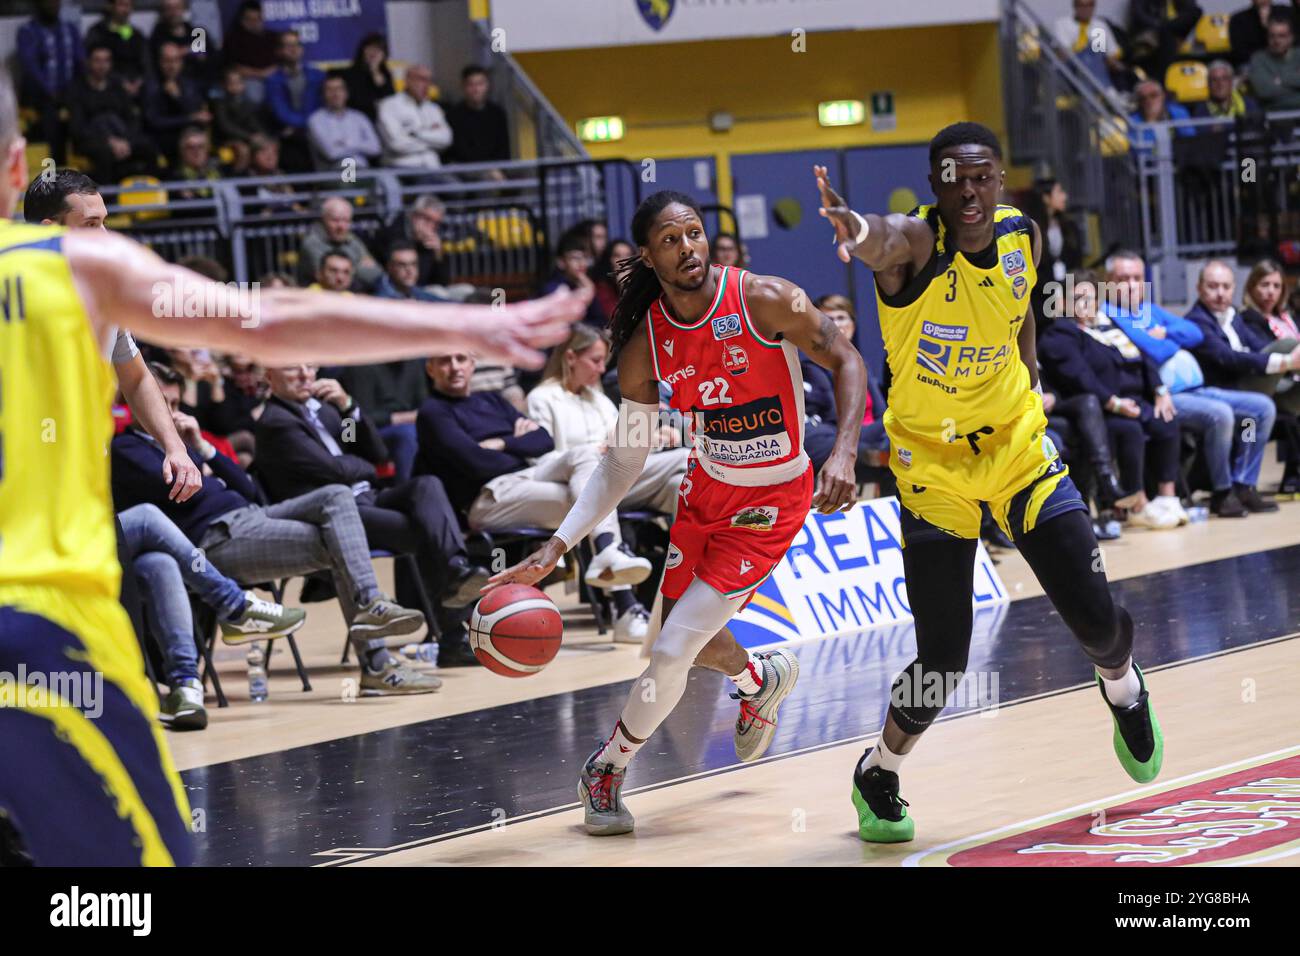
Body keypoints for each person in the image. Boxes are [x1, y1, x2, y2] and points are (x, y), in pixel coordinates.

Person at [0, 65, 588, 866]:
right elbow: (269, 320)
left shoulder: (83, 276)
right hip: (45, 622)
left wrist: (173, 443)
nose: (101, 233)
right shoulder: (71, 265)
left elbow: (138, 370)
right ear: (14, 164)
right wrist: (462, 325)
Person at [812, 123, 1162, 844]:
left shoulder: (1021, 234)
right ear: (935, 187)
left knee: (1097, 623)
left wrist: (1029, 375)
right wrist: (852, 225)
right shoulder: (914, 247)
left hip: (1016, 450)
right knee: (943, 661)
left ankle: (1124, 689)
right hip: (931, 469)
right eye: (953, 178)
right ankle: (878, 769)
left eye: (981, 177)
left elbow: (1021, 309)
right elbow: (880, 237)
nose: (968, 191)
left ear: (999, 181)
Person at [485, 189, 867, 835]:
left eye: (693, 233)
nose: (687, 247)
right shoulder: (645, 346)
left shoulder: (765, 297)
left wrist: (846, 453)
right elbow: (621, 462)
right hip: (704, 494)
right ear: (649, 255)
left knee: (669, 649)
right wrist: (560, 544)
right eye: (670, 239)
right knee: (684, 645)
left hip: (770, 504)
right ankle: (758, 678)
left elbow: (847, 359)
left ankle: (605, 769)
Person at [257, 363, 490, 668]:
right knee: (425, 530)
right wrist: (363, 466)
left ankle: (456, 570)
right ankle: (452, 633)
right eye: (293, 369)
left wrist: (348, 407)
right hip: (330, 516)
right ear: (270, 376)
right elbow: (336, 470)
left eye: (310, 366)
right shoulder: (275, 422)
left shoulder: (325, 411)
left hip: (367, 498)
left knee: (427, 485)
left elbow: (376, 452)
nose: (305, 375)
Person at [22, 168, 204, 506]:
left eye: (104, 222)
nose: (105, 236)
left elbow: (135, 379)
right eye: (91, 225)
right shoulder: (15, 300)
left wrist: (174, 446)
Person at [417, 352, 654, 593]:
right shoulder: (432, 412)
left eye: (461, 359)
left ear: (473, 364)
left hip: (529, 476)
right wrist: (519, 441)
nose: (455, 367)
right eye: (445, 360)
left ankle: (606, 550)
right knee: (589, 498)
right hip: (490, 496)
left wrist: (501, 443)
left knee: (585, 454)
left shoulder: (491, 399)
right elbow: (476, 463)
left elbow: (543, 440)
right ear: (430, 368)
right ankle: (624, 603)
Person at [526, 326, 691, 641]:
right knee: (591, 460)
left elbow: (621, 445)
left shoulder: (600, 400)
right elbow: (542, 457)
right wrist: (601, 450)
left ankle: (692, 585)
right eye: (596, 360)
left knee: (683, 472)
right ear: (571, 357)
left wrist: (652, 439)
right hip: (563, 479)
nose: (603, 369)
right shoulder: (541, 398)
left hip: (612, 477)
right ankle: (625, 607)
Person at [1103, 251, 1279, 515]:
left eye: (1137, 278)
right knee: (1221, 416)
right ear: (1108, 281)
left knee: (1259, 410)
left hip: (1199, 390)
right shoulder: (1110, 314)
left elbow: (1193, 333)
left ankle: (1245, 483)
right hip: (1164, 396)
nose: (1131, 285)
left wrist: (1166, 333)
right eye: (1123, 278)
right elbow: (1153, 350)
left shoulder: (1148, 310)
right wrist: (1168, 340)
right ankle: (1223, 490)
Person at [1039, 272, 1184, 528]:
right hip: (1099, 407)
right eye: (1078, 298)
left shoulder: (1109, 326)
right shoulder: (1060, 334)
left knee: (1167, 420)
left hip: (1133, 400)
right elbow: (1081, 377)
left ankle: (1167, 497)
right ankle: (1133, 503)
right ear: (1064, 302)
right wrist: (1115, 402)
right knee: (1130, 430)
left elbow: (1143, 356)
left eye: (1091, 298)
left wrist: (1160, 390)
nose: (1086, 304)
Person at [67, 43, 157, 182]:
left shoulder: (117, 86)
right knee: (105, 154)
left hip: (122, 136)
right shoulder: (77, 89)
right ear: (88, 62)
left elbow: (132, 117)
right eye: (97, 60)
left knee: (148, 146)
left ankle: (147, 193)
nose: (102, 65)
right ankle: (108, 198)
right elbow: (78, 127)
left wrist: (125, 140)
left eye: (106, 60)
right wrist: (109, 141)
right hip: (92, 140)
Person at [16, 0, 83, 164]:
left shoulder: (70, 30)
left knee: (86, 113)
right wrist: (50, 92)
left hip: (70, 95)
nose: (53, 5)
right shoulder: (28, 32)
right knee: (52, 124)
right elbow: (31, 68)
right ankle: (54, 174)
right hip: (42, 98)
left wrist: (74, 92)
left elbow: (80, 62)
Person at [263, 29, 324, 173]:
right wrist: (303, 126)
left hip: (316, 130)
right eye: (288, 45)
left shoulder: (318, 76)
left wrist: (310, 125)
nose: (293, 49)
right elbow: (280, 111)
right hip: (288, 134)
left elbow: (321, 105)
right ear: (279, 51)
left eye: (296, 45)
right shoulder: (273, 80)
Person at [143, 41, 210, 163]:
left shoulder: (188, 83)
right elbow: (153, 122)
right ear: (160, 62)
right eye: (167, 61)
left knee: (198, 138)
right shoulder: (151, 86)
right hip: (164, 136)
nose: (172, 65)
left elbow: (196, 112)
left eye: (176, 60)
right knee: (192, 142)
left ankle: (203, 175)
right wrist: (189, 118)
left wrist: (177, 97)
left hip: (189, 131)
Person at [377, 65, 453, 171]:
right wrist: (433, 143)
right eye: (421, 79)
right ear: (407, 81)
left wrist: (416, 134)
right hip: (400, 167)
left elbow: (446, 140)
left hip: (433, 167)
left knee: (456, 186)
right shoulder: (389, 105)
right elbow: (396, 144)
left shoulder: (433, 108)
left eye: (429, 80)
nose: (426, 85)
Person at [297, 197, 383, 289]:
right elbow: (330, 278)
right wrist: (358, 264)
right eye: (335, 220)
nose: (341, 226)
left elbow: (376, 274)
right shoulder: (312, 243)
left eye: (346, 221)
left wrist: (352, 268)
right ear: (323, 220)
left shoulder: (352, 240)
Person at [308, 73, 382, 171]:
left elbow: (376, 148)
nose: (335, 93)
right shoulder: (316, 120)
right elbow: (331, 153)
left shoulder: (359, 117)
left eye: (339, 89)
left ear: (346, 93)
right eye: (330, 90)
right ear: (323, 95)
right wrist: (361, 145)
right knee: (352, 177)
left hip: (363, 169)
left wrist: (346, 143)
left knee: (387, 181)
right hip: (333, 173)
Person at [444, 64, 511, 170]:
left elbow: (504, 149)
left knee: (527, 175)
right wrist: (488, 171)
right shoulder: (454, 115)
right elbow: (459, 152)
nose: (476, 89)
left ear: (488, 85)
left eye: (480, 84)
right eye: (471, 85)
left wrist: (498, 169)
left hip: (497, 169)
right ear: (463, 86)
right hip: (467, 169)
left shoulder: (498, 113)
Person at [1053, 0, 1124, 90]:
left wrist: (1104, 60)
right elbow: (1064, 53)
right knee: (1088, 54)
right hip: (1071, 68)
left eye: (1089, 5)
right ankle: (1107, 91)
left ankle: (1100, 89)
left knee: (1095, 54)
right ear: (1075, 6)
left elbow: (1111, 54)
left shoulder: (1100, 25)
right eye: (1081, 6)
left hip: (1097, 67)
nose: (1085, 9)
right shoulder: (1062, 24)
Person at [85, 0, 151, 96]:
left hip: (137, 86)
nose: (125, 10)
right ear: (111, 6)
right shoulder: (98, 32)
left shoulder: (137, 35)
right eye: (121, 5)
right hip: (108, 86)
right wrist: (120, 82)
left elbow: (147, 63)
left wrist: (140, 81)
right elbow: (92, 64)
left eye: (128, 5)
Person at [541, 230, 606, 328]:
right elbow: (566, 325)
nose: (581, 263)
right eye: (575, 258)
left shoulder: (585, 283)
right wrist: (586, 295)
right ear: (561, 262)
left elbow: (600, 321)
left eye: (584, 258)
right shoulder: (553, 288)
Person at [222, 0, 278, 103]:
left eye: (257, 19)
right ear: (242, 20)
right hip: (249, 79)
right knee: (254, 95)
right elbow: (234, 66)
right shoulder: (233, 38)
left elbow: (281, 61)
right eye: (250, 19)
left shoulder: (272, 37)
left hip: (274, 76)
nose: (254, 23)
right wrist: (260, 74)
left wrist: (273, 71)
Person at [1246, 9, 1300, 110]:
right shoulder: (1258, 59)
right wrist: (1295, 79)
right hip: (1274, 115)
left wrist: (1280, 80)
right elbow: (1263, 91)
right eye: (1272, 36)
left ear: (1291, 37)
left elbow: (1273, 87)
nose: (1276, 41)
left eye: (1282, 36)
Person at [342, 33, 395, 123]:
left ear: (384, 55)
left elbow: (391, 101)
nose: (374, 53)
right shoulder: (350, 73)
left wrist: (376, 74)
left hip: (386, 120)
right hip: (359, 119)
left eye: (378, 50)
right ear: (362, 51)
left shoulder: (386, 74)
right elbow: (353, 102)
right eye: (370, 48)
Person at [1229, 1, 1300, 67]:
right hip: (1254, 65)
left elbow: (1296, 42)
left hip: (1290, 62)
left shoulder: (1287, 12)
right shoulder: (1238, 19)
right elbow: (1240, 53)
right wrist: (1263, 29)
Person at [1192, 60, 1259, 118]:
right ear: (1208, 84)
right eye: (1214, 80)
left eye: (1224, 79)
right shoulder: (1201, 110)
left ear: (1231, 82)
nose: (1220, 84)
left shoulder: (1248, 104)